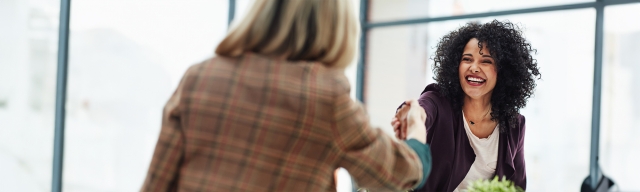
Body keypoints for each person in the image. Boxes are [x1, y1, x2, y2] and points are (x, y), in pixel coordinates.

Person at [141, 0, 432, 191]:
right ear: (337, 27)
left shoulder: (199, 77)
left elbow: (157, 182)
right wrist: (417, 131)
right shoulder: (327, 97)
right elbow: (400, 173)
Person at [392, 20, 540, 191]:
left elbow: (516, 186)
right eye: (467, 59)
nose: (474, 67)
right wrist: (411, 116)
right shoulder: (438, 101)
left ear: (503, 71)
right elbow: (422, 110)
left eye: (486, 61)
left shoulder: (514, 124)